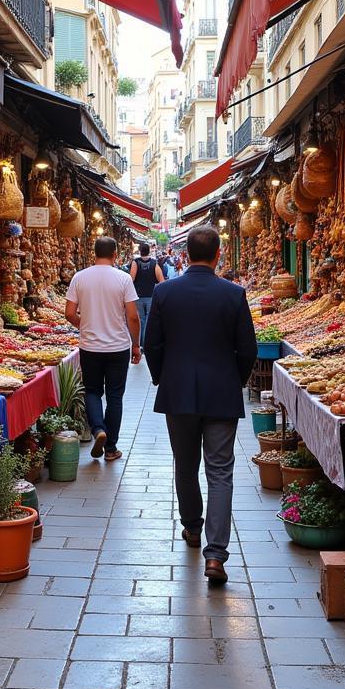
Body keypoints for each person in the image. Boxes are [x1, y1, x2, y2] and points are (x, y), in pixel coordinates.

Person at [143, 225, 257, 583]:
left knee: (186, 464)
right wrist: (234, 380)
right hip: (221, 392)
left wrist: (162, 376)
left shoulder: (165, 292)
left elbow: (153, 344)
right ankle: (216, 555)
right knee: (220, 471)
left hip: (178, 393)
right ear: (218, 254)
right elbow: (248, 349)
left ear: (187, 254)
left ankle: (192, 528)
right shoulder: (234, 294)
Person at [65, 236, 141, 461]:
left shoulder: (80, 277)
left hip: (90, 346)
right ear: (115, 254)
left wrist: (85, 325)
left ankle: (98, 429)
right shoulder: (123, 279)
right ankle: (110, 449)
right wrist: (136, 345)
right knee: (115, 396)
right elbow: (133, 316)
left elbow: (69, 313)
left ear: (94, 253)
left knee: (92, 391)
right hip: (118, 347)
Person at [129, 242, 164, 347]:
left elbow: (131, 279)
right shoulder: (154, 263)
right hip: (151, 296)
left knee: (139, 320)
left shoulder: (136, 262)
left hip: (137, 296)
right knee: (149, 320)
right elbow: (161, 281)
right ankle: (146, 344)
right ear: (149, 251)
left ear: (140, 251)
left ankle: (139, 344)